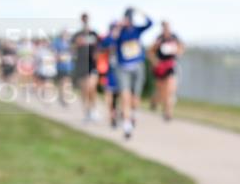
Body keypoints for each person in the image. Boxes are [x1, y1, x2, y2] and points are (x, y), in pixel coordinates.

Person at [107, 8, 153, 139]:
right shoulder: (119, 32)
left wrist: (141, 12)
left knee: (135, 98)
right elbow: (109, 41)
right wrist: (117, 27)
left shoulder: (136, 30)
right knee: (125, 96)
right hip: (123, 68)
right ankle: (127, 125)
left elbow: (150, 23)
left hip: (137, 67)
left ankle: (132, 114)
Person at [149, 21, 184, 122]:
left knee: (170, 90)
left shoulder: (174, 37)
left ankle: (168, 112)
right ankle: (155, 101)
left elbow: (181, 47)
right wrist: (155, 61)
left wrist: (179, 52)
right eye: (165, 28)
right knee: (161, 91)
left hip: (170, 66)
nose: (167, 30)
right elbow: (151, 51)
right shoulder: (159, 39)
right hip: (160, 67)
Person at [71, 13, 100, 123]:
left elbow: (100, 47)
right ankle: (87, 111)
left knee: (91, 88)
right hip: (81, 65)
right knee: (84, 90)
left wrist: (97, 54)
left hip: (92, 65)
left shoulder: (94, 34)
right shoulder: (77, 35)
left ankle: (94, 109)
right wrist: (77, 45)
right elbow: (72, 48)